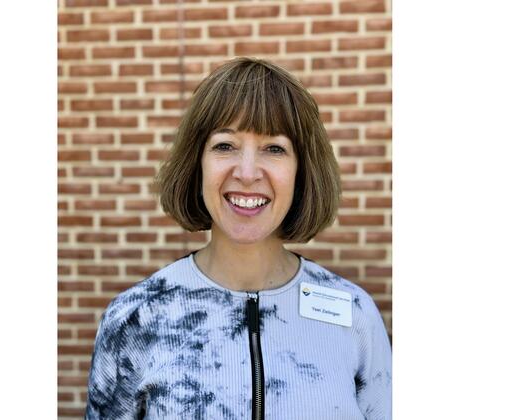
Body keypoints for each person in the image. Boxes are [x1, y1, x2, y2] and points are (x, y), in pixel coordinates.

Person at [85, 57, 392, 420]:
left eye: (274, 148)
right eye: (225, 145)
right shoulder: (135, 320)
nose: (247, 173)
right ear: (196, 163)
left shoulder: (355, 316)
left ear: (301, 172)